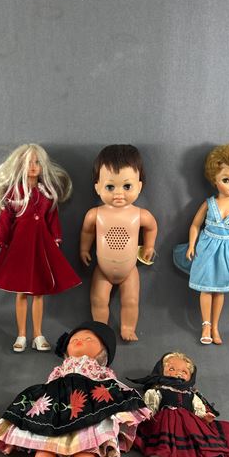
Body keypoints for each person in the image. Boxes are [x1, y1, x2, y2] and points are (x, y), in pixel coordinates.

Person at [0, 320, 150, 457]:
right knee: (45, 443)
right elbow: (50, 384)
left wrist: (124, 405)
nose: (80, 341)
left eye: (89, 339)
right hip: (57, 405)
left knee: (88, 445)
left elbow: (112, 385)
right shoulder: (61, 369)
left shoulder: (101, 370)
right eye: (75, 339)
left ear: (104, 352)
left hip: (88, 405)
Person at [0, 144, 81, 353]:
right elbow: (5, 219)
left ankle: (38, 334)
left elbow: (52, 218)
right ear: (19, 165)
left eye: (37, 162)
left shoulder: (47, 192)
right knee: (21, 292)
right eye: (28, 162)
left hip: (41, 245)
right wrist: (0, 238)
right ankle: (21, 335)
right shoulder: (14, 193)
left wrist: (56, 237)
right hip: (20, 246)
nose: (33, 166)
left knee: (39, 292)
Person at [173, 143, 229, 344]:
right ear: (215, 179)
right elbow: (195, 225)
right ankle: (206, 326)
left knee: (219, 289)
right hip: (206, 248)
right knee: (205, 288)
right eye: (226, 179)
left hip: (227, 252)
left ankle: (216, 327)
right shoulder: (209, 203)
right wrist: (192, 245)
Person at [129, 351, 229, 457]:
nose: (178, 374)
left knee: (189, 449)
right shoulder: (159, 390)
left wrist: (204, 416)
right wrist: (148, 414)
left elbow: (198, 408)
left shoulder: (191, 394)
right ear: (161, 371)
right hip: (166, 420)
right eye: (172, 369)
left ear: (190, 376)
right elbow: (151, 405)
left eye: (184, 371)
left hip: (188, 423)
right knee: (165, 448)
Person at [79, 144, 158, 341]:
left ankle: (128, 328)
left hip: (129, 270)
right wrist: (84, 249)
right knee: (98, 300)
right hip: (102, 269)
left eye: (127, 186)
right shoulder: (95, 214)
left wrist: (149, 246)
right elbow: (87, 231)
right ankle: (100, 329)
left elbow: (151, 227)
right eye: (110, 187)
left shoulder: (140, 215)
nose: (119, 193)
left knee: (131, 301)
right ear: (97, 186)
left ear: (139, 186)